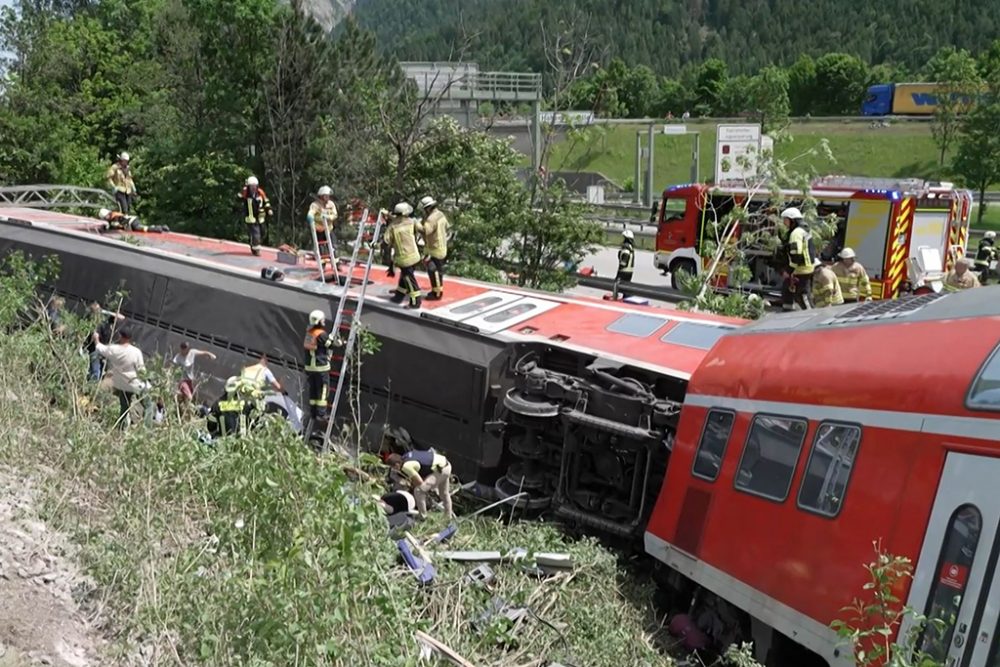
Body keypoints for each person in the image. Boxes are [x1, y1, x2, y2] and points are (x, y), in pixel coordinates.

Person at [92, 328, 150, 429]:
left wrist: (96, 339)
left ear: (121, 336)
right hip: (135, 382)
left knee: (124, 407)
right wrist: (147, 381)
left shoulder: (115, 349)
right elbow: (142, 370)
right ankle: (148, 426)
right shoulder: (136, 352)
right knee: (148, 404)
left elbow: (100, 348)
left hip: (122, 384)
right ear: (130, 338)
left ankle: (122, 427)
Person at [387, 449, 453, 520]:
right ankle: (448, 517)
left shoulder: (406, 466)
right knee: (444, 493)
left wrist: (412, 486)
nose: (394, 469)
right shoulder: (407, 456)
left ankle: (423, 516)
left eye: (393, 467)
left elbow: (419, 482)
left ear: (397, 465)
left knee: (418, 491)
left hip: (440, 470)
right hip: (445, 464)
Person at [383, 202, 423, 309]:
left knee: (409, 280)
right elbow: (422, 229)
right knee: (405, 277)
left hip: (404, 259)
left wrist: (375, 245)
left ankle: (415, 302)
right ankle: (399, 296)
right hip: (415, 255)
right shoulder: (411, 222)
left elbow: (386, 241)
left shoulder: (392, 227)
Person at [303, 309, 335, 423]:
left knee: (313, 390)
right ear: (319, 321)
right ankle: (321, 414)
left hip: (309, 367)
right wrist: (334, 338)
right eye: (323, 320)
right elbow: (330, 345)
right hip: (320, 366)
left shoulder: (309, 332)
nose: (324, 321)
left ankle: (313, 413)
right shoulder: (321, 334)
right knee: (323, 390)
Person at [781, 207, 815, 311]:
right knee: (792, 291)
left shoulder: (796, 233)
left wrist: (788, 270)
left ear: (792, 220)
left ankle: (810, 316)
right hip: (807, 268)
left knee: (801, 295)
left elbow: (796, 255)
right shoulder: (804, 230)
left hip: (801, 269)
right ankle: (788, 312)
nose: (784, 222)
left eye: (785, 219)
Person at [418, 196, 449, 300]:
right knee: (437, 270)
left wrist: (415, 224)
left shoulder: (431, 219)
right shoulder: (441, 215)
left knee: (433, 270)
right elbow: (446, 227)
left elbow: (425, 231)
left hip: (434, 249)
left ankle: (437, 293)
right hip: (441, 247)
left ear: (427, 208)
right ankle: (437, 291)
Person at [84, 302, 124, 381]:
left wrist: (105, 311)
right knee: (95, 371)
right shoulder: (95, 322)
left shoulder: (108, 323)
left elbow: (121, 317)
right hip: (95, 349)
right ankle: (91, 387)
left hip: (104, 350)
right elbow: (95, 336)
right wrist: (98, 345)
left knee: (102, 370)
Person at [236, 176, 272, 256]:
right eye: (252, 186)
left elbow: (266, 201)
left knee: (263, 233)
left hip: (260, 217)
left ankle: (253, 242)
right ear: (249, 186)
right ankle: (256, 250)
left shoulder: (260, 192)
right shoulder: (246, 192)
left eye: (255, 186)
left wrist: (269, 209)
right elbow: (239, 198)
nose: (253, 188)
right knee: (256, 234)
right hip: (251, 217)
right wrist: (240, 196)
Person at [307, 186, 338, 269]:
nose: (328, 198)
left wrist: (328, 217)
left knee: (334, 247)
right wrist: (310, 218)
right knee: (321, 249)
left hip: (329, 229)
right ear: (321, 196)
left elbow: (335, 214)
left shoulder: (331, 204)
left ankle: (336, 265)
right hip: (319, 230)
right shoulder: (315, 205)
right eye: (326, 196)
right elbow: (310, 214)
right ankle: (322, 266)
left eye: (328, 196)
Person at [97, 208, 169, 233]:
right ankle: (160, 227)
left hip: (132, 221)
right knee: (143, 227)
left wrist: (107, 228)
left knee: (141, 229)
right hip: (130, 223)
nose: (106, 218)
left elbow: (116, 226)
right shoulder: (113, 217)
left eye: (106, 217)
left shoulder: (115, 216)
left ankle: (159, 229)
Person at [617, 229, 635, 294]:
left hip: (624, 271)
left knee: (617, 287)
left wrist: (620, 268)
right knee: (626, 288)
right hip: (629, 271)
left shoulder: (626, 247)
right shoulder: (630, 247)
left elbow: (624, 260)